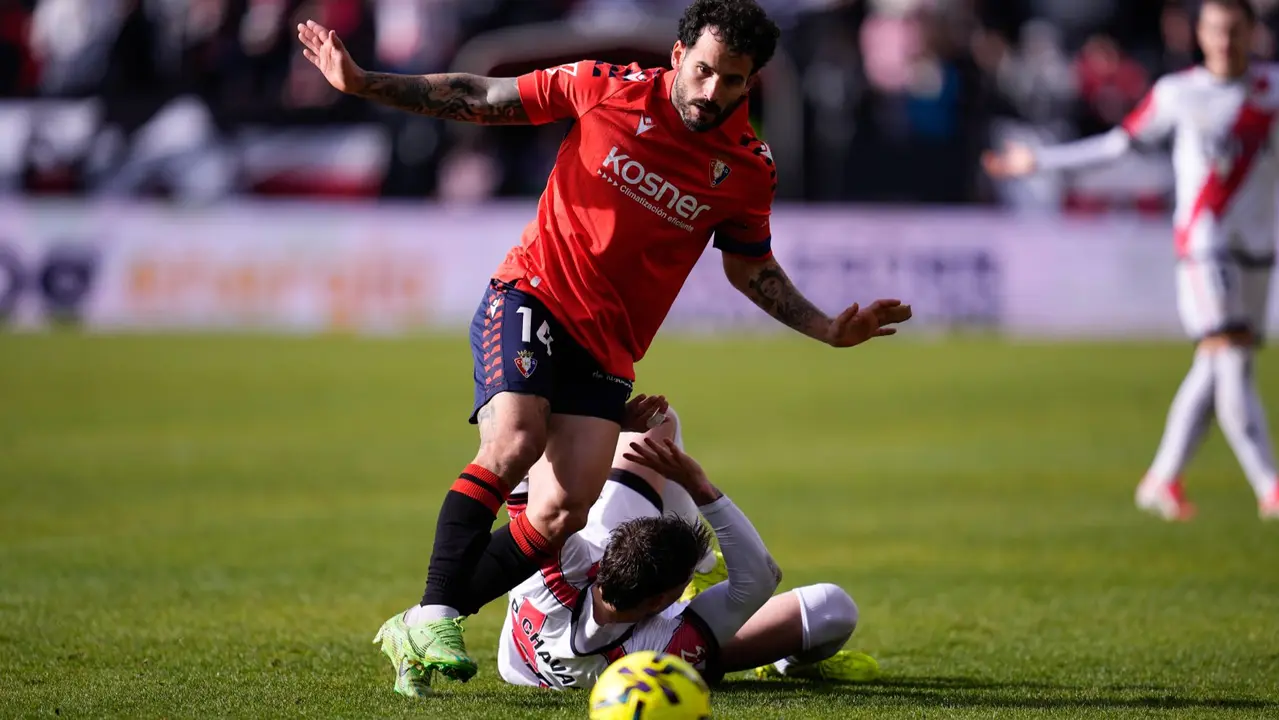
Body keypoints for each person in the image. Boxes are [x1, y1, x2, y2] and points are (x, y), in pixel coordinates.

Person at [298, 0, 913, 691]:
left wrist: (827, 328)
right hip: (531, 294)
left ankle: (420, 621)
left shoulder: (746, 167)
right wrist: (366, 84)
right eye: (704, 71)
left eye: (733, 81)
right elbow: (484, 95)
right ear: (678, 57)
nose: (713, 92)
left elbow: (751, 268)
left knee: (562, 515)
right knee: (514, 444)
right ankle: (440, 608)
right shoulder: (604, 86)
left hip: (606, 350)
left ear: (751, 83)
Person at [984, 0, 1279, 522]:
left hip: (1258, 248)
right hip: (1203, 243)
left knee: (1219, 362)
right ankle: (1270, 488)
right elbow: (1118, 145)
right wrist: (1041, 162)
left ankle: (1162, 479)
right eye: (1215, 30)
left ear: (1251, 33)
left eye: (1234, 30)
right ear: (1201, 34)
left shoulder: (1272, 89)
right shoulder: (1179, 93)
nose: (1224, 41)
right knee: (1230, 353)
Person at [483, 407, 871, 694]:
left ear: (612, 551)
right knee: (832, 609)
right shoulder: (662, 648)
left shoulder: (552, 566)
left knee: (656, 423)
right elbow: (762, 577)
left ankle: (700, 567)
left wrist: (599, 417)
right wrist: (700, 487)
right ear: (665, 602)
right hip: (645, 640)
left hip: (520, 663)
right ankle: (775, 652)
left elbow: (522, 452)